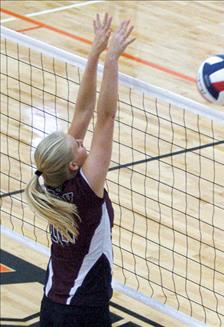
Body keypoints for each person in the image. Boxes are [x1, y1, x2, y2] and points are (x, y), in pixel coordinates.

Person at [24, 13, 135, 327]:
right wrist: (112, 59)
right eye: (76, 144)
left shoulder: (51, 180)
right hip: (82, 313)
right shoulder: (85, 192)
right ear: (74, 163)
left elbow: (84, 110)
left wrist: (94, 52)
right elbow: (106, 117)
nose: (78, 140)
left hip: (53, 305)